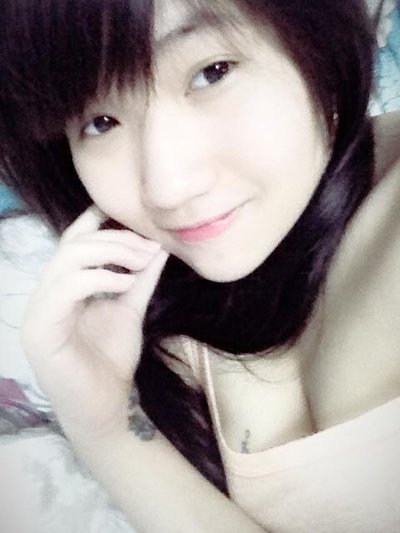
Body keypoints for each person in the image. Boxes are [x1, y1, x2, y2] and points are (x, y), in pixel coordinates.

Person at [0, 0, 399, 531]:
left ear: (317, 34)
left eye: (212, 72)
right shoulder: (167, 311)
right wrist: (103, 424)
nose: (167, 188)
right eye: (100, 122)